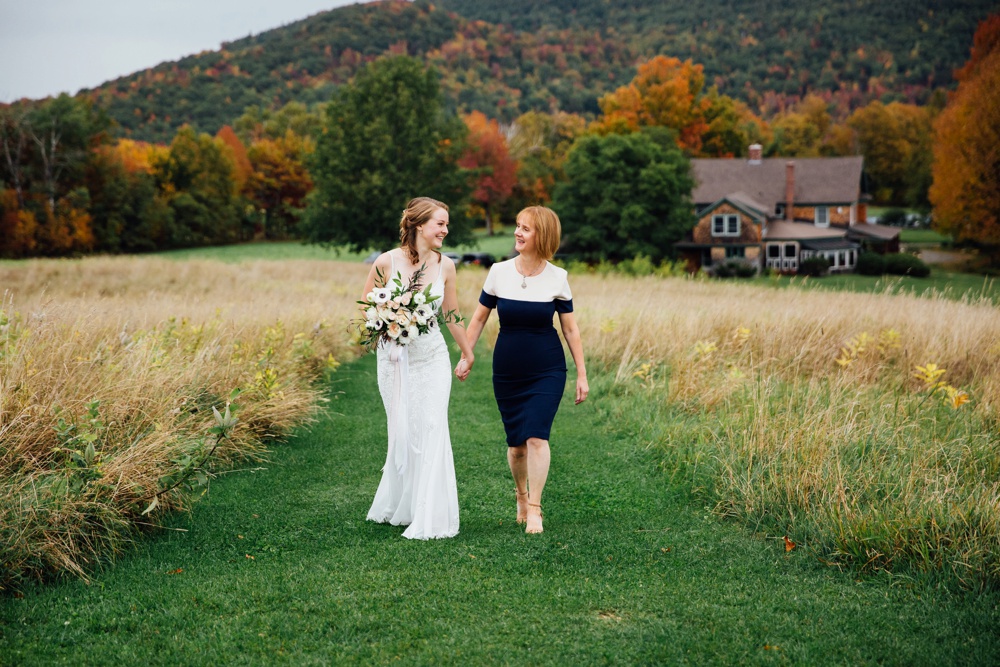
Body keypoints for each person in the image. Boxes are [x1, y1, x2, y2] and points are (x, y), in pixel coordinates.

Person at [458, 206, 588, 534]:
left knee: (537, 437)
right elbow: (478, 318)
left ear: (541, 236)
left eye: (525, 228)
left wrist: (582, 374)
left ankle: (535, 509)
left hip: (547, 368)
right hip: (508, 370)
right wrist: (466, 354)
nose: (517, 232)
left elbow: (570, 330)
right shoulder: (499, 272)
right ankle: (521, 494)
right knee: (516, 445)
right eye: (517, 226)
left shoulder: (558, 277)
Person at [363, 197, 474, 539]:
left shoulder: (447, 266)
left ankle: (431, 516)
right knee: (404, 430)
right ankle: (406, 506)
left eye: (446, 224)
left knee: (431, 425)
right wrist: (387, 320)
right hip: (395, 361)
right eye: (440, 223)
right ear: (418, 225)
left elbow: (451, 315)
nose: (445, 229)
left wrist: (467, 352)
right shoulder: (386, 262)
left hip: (433, 358)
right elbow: (368, 306)